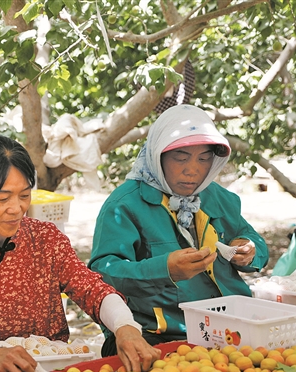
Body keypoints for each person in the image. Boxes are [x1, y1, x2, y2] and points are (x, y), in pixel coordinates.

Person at [0, 135, 161, 372]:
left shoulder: (46, 239)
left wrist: (125, 326)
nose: (16, 208)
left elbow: (93, 290)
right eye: (2, 198)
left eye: (24, 195)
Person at [89, 104, 268, 356]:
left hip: (229, 328)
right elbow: (101, 275)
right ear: (157, 155)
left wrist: (250, 249)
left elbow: (253, 240)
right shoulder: (125, 205)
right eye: (181, 158)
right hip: (157, 335)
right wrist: (164, 270)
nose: (192, 169)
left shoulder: (217, 198)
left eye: (204, 159)